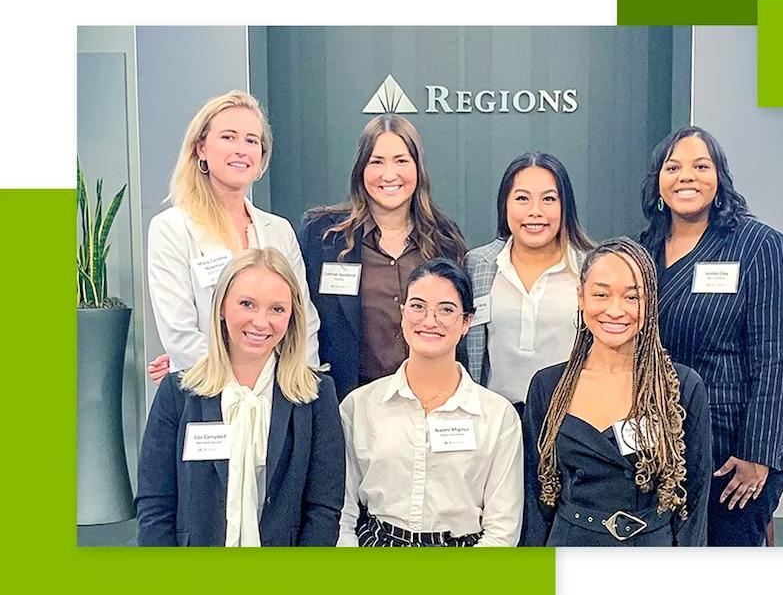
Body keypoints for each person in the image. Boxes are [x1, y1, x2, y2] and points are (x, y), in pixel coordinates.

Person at [639, 126, 783, 546]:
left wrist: (757, 454)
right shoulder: (643, 251)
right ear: (658, 182)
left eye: (701, 166)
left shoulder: (759, 245)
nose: (686, 177)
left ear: (720, 178)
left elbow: (779, 358)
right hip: (663, 446)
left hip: (734, 452)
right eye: (673, 167)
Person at [135, 248, 344, 546]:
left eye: (277, 309)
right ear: (221, 307)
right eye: (247, 304)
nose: (261, 322)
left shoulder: (317, 396)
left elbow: (323, 509)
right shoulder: (178, 394)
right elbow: (155, 505)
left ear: (292, 317)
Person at [521, 238, 710, 546]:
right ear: (581, 297)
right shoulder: (548, 387)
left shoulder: (682, 387)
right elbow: (535, 500)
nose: (615, 310)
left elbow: (695, 498)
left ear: (650, 302)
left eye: (632, 297)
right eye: (601, 294)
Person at [338, 258, 523, 547]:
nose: (429, 320)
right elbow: (342, 513)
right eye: (418, 306)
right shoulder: (359, 407)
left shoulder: (498, 417)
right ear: (402, 313)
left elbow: (502, 530)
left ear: (466, 323)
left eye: (446, 310)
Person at [146, 90, 320, 382]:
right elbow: (180, 335)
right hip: (208, 391)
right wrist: (247, 384)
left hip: (280, 396)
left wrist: (298, 385)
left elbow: (305, 323)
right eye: (228, 137)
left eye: (252, 141)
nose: (241, 149)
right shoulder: (171, 228)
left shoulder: (279, 230)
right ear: (201, 147)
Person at [299, 114, 467, 400]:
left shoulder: (445, 239)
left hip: (429, 403)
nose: (389, 174)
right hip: (345, 404)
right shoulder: (323, 237)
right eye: (377, 161)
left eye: (401, 161)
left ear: (418, 168)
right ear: (361, 169)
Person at [464, 152, 595, 415]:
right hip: (496, 420)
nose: (535, 212)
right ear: (505, 204)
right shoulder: (479, 264)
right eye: (522, 198)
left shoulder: (591, 267)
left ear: (565, 205)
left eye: (548, 199)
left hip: (571, 419)